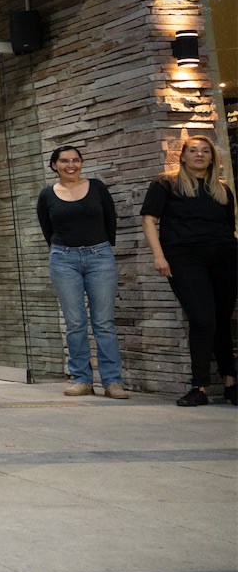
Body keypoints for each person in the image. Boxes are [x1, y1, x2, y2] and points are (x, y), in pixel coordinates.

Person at [141, 134, 237, 407]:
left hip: (225, 259)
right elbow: (149, 220)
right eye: (193, 150)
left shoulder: (221, 189)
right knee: (203, 319)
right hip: (184, 259)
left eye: (205, 151)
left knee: (221, 319)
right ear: (182, 156)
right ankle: (199, 387)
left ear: (212, 157)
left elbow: (228, 228)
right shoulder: (165, 183)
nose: (199, 155)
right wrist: (159, 256)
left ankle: (231, 383)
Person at [36, 146, 127, 399]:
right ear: (54, 165)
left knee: (104, 323)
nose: (71, 165)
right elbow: (47, 229)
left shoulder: (97, 187)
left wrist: (99, 247)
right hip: (63, 259)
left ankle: (112, 382)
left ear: (81, 163)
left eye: (76, 160)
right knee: (75, 323)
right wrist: (65, 250)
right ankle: (81, 379)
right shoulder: (47, 195)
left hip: (100, 257)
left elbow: (111, 220)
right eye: (64, 161)